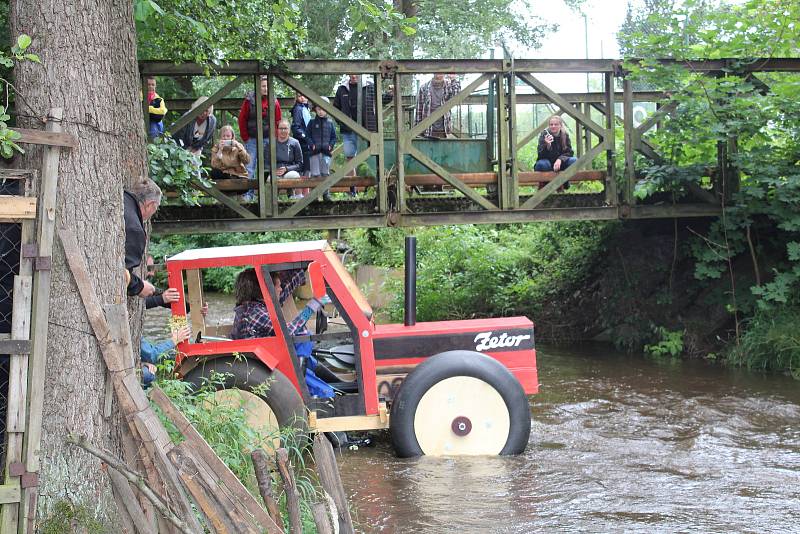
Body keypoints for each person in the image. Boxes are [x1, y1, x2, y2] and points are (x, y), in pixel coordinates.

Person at [230, 268, 333, 398]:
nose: (280, 289)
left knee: (307, 353)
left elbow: (283, 294)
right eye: (278, 286)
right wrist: (312, 306)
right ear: (265, 290)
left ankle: (327, 382)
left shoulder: (254, 307)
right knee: (328, 393)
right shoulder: (254, 312)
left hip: (266, 359)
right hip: (263, 366)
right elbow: (288, 332)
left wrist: (302, 268)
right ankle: (301, 387)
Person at [333, 74, 389, 193]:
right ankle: (352, 190)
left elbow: (382, 99)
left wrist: (391, 94)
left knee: (371, 157)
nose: (354, 76)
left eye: (356, 74)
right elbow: (335, 108)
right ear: (348, 74)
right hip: (348, 131)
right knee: (350, 159)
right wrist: (341, 122)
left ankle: (374, 188)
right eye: (351, 74)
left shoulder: (369, 86)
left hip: (367, 130)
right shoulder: (341, 89)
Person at [238, 75, 283, 179]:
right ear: (258, 87)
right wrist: (246, 137)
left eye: (267, 86)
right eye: (263, 86)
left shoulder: (274, 101)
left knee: (268, 166)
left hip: (268, 138)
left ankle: (266, 192)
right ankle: (248, 194)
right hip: (252, 138)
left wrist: (275, 137)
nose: (265, 88)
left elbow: (278, 120)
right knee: (249, 166)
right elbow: (242, 119)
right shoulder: (249, 100)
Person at [124, 179, 162, 298]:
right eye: (155, 208)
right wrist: (139, 287)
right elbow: (120, 274)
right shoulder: (135, 230)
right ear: (150, 204)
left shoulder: (122, 196)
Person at [415, 73, 461, 138]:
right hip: (428, 131)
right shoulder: (424, 88)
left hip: (444, 131)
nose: (439, 72)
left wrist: (453, 79)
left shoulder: (449, 86)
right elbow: (419, 110)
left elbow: (457, 97)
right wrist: (417, 132)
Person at [266, 120, 303, 198]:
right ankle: (273, 201)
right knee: (270, 180)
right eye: (281, 128)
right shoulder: (270, 143)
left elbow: (300, 164)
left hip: (289, 171)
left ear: (289, 130)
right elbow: (265, 163)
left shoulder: (295, 143)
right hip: (274, 172)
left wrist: (287, 169)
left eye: (285, 128)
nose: (283, 130)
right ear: (277, 130)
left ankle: (292, 198)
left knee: (294, 176)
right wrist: (273, 171)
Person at [308, 101, 337, 180]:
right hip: (314, 153)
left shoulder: (330, 123)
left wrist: (330, 146)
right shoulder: (311, 122)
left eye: (323, 109)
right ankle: (315, 192)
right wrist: (312, 145)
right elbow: (307, 136)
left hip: (326, 153)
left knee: (325, 174)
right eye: (319, 109)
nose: (321, 111)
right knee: (315, 175)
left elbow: (334, 137)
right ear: (315, 110)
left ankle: (326, 192)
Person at [290, 92, 312, 177]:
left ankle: (307, 190)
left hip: (306, 143)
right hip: (302, 143)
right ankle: (303, 190)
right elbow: (296, 127)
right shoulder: (298, 109)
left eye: (304, 95)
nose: (302, 98)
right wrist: (305, 137)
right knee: (304, 169)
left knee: (306, 169)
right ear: (296, 98)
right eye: (299, 96)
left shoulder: (305, 108)